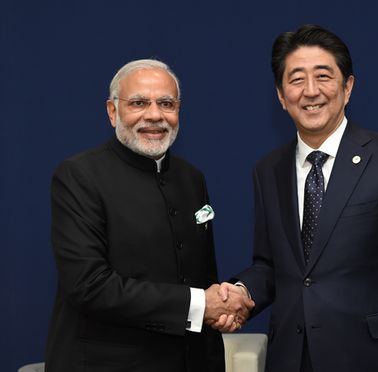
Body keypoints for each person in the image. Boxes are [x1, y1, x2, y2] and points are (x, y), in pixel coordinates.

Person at [217, 25, 378, 372]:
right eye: (296, 79)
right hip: (292, 358)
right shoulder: (267, 170)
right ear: (281, 96)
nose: (311, 91)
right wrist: (240, 292)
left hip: (374, 360)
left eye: (323, 76)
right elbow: (272, 265)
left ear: (348, 87)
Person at [45, 59, 254, 372]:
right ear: (112, 111)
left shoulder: (191, 178)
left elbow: (201, 277)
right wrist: (200, 305)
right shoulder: (79, 176)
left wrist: (221, 307)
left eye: (166, 103)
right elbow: (89, 286)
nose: (155, 115)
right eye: (139, 103)